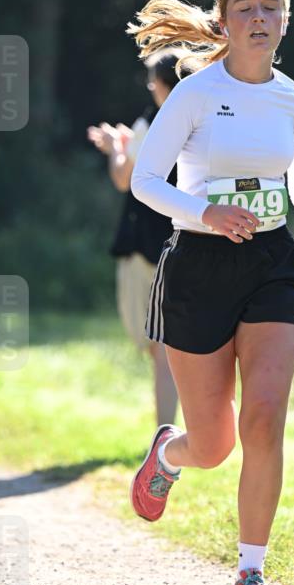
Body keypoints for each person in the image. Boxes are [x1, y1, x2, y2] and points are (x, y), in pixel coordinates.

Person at [126, 0, 294, 585]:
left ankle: (249, 575)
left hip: (271, 263)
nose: (257, 17)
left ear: (284, 20)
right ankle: (169, 453)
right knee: (212, 445)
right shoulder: (193, 94)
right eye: (244, 6)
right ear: (223, 20)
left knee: (264, 418)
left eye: (269, 6)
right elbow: (145, 181)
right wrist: (205, 212)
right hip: (198, 265)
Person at [87, 52, 187, 427]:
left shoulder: (154, 121)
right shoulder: (199, 120)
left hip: (148, 248)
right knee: (167, 348)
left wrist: (116, 148)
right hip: (183, 244)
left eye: (153, 81)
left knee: (160, 347)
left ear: (164, 84)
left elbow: (121, 178)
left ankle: (165, 435)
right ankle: (175, 432)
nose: (150, 88)